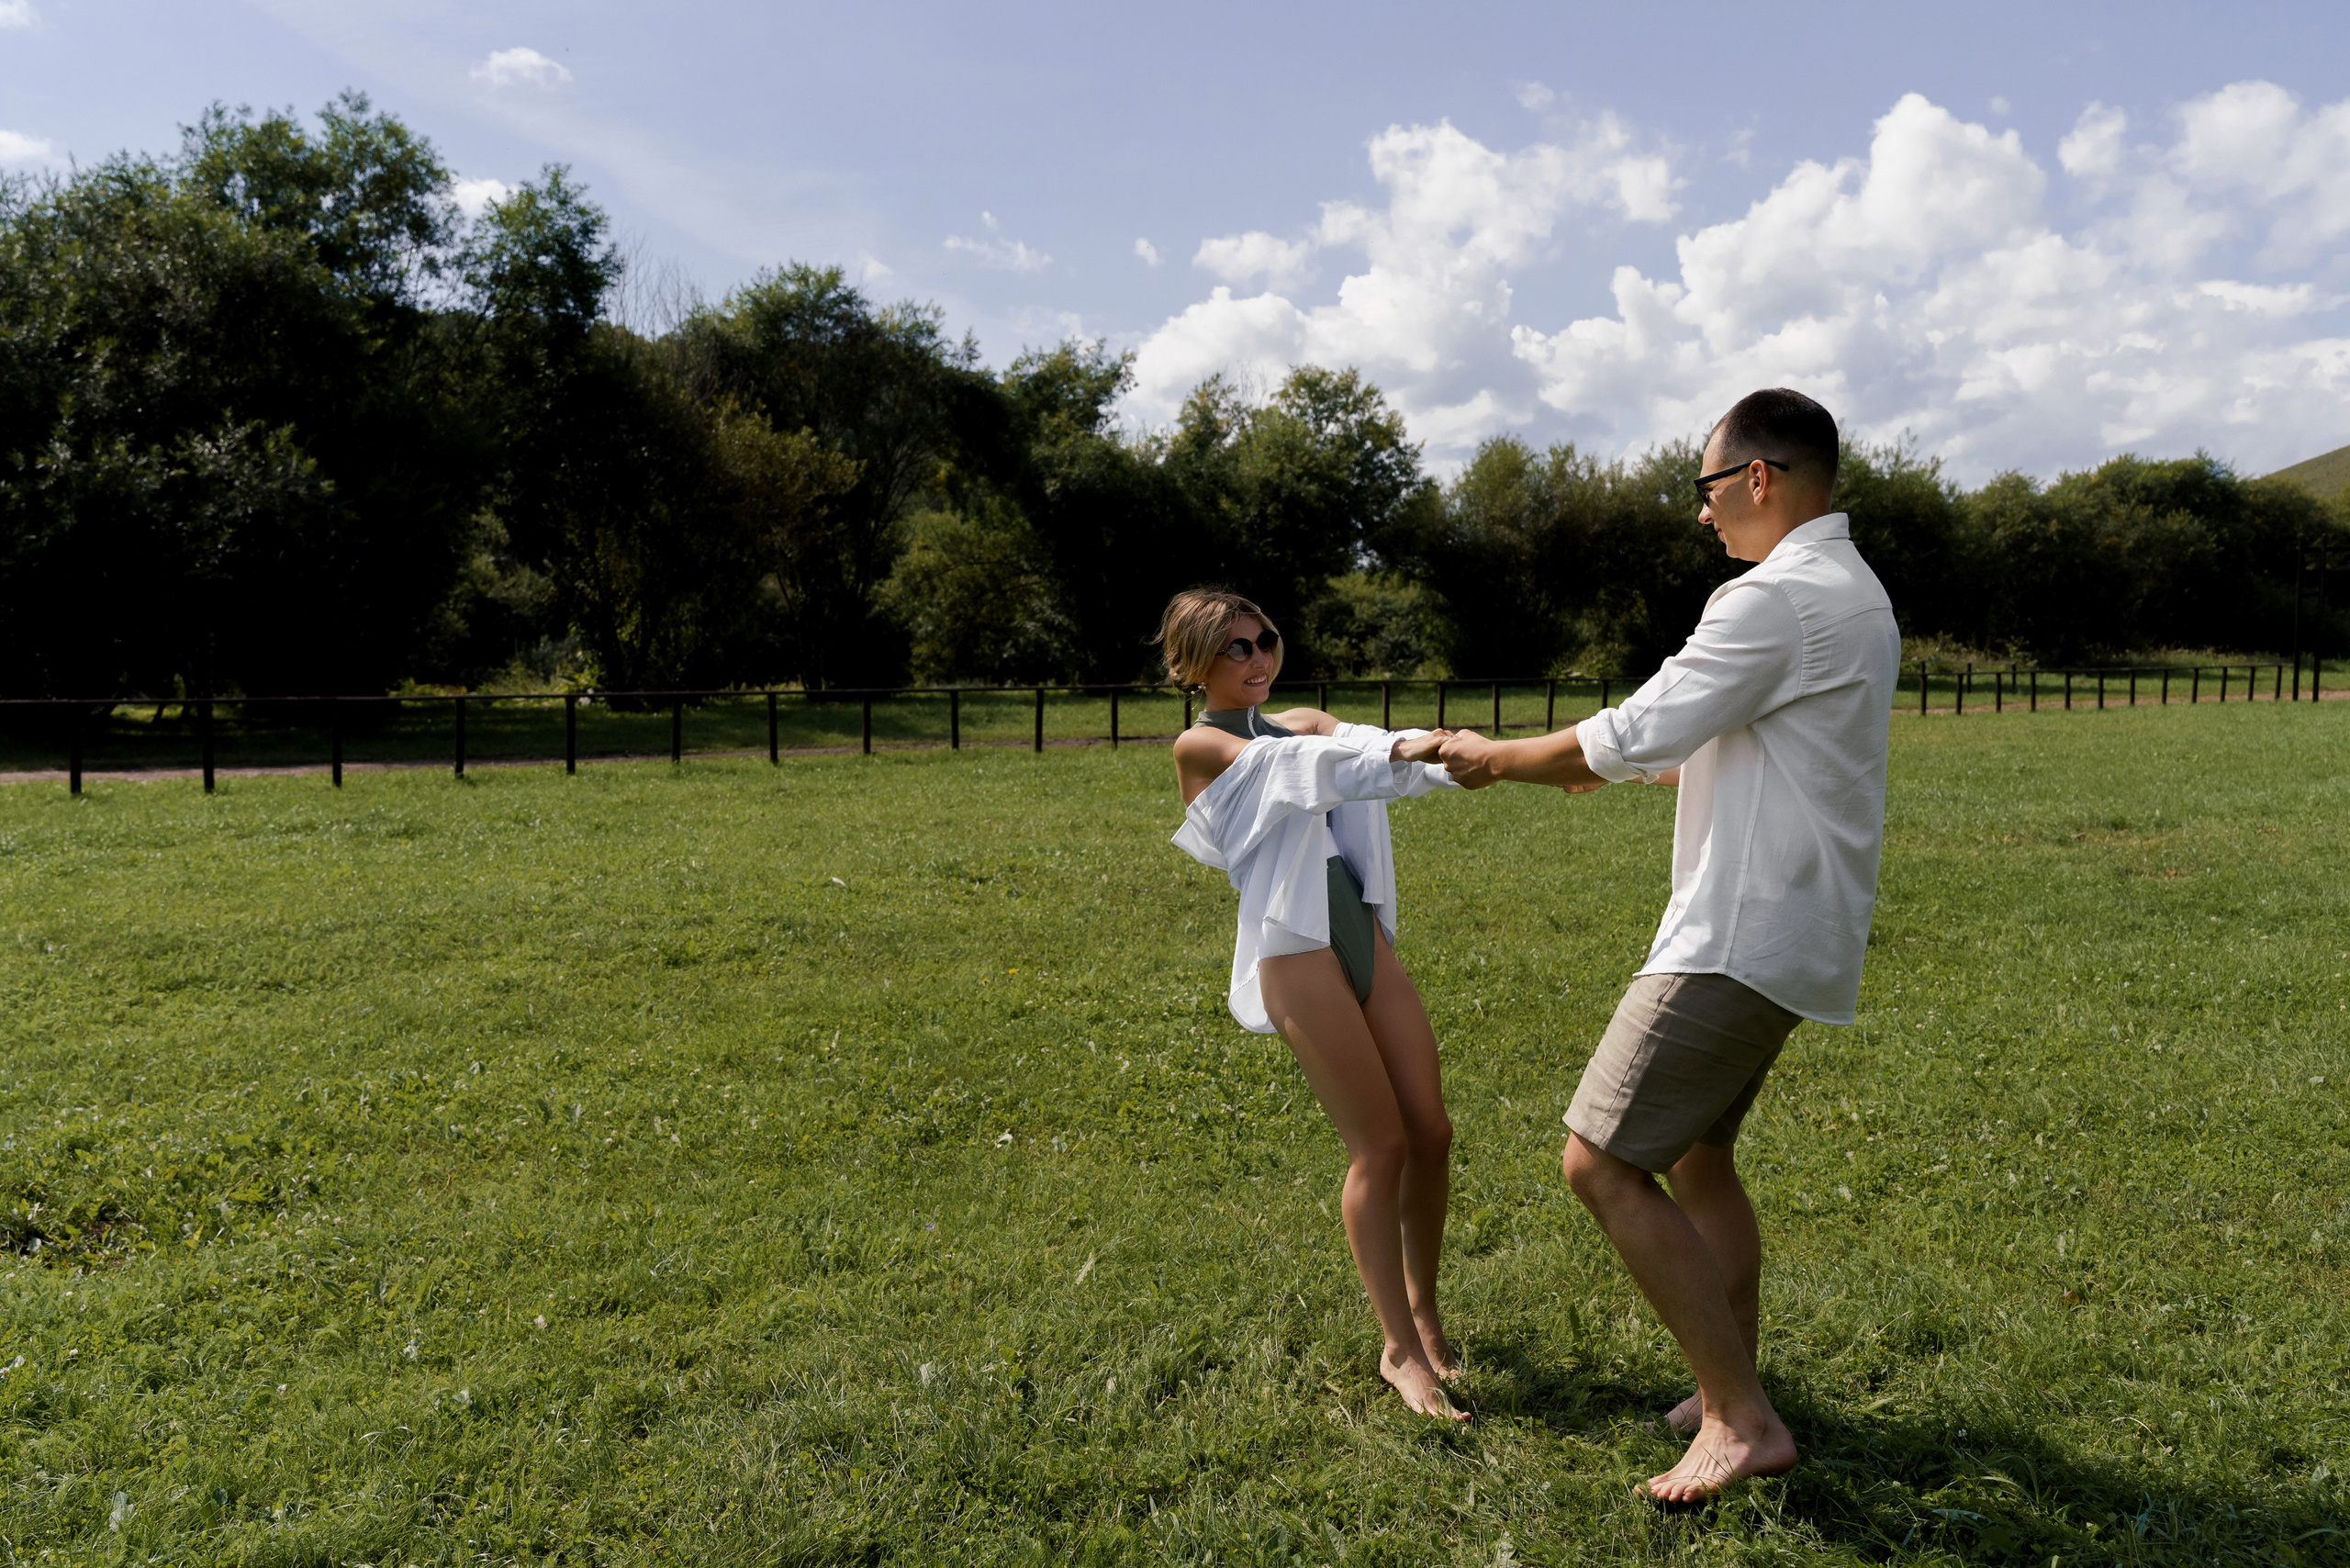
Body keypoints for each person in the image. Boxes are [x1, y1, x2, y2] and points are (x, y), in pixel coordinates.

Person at [1438, 388, 1901, 1500]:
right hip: (1795, 926)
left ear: (1757, 478)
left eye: (1705, 488)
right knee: (1698, 1159)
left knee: (1598, 1159)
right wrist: (1619, 761)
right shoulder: (1854, 590)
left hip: (1734, 934)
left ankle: (1741, 1419)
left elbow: (1636, 726)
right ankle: (1725, 1383)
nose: (1699, 514)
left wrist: (1495, 757)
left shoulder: (1773, 598)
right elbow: (1719, 731)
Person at [1158, 588, 1471, 1422]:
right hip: (1295, 950)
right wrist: (1414, 748)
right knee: (1382, 1145)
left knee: (1432, 1131)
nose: (1258, 658)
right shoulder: (1203, 744)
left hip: (1358, 927)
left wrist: (1488, 758)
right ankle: (1398, 1348)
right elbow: (1305, 771)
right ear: (1192, 662)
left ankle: (1425, 1311)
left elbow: (1362, 747)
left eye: (1266, 640)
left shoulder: (1303, 717)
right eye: (1235, 648)